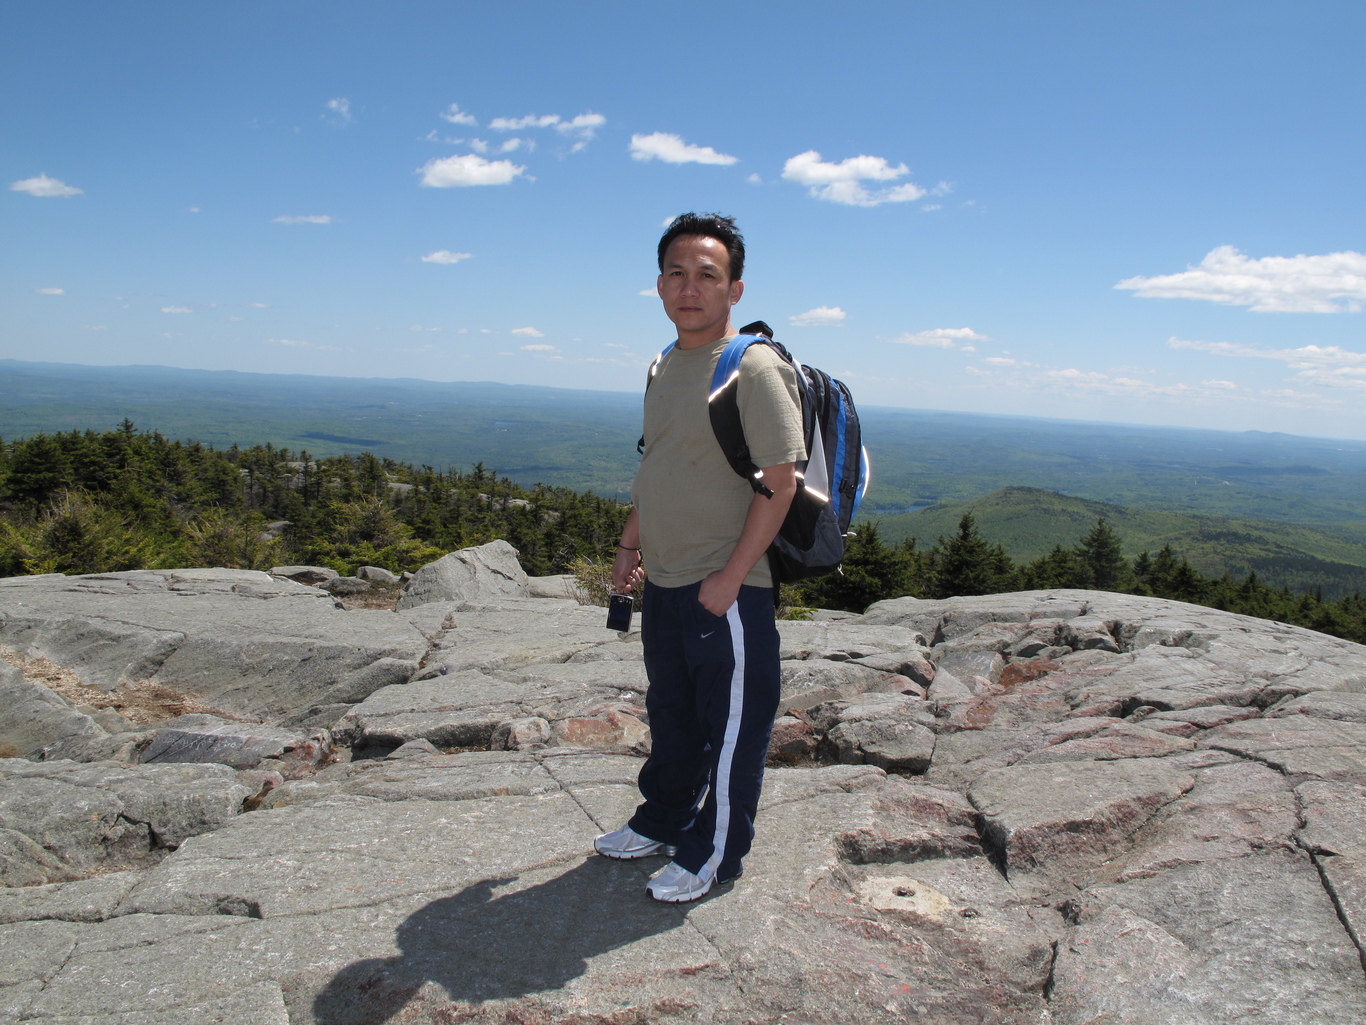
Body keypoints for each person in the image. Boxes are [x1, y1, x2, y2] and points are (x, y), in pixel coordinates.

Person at [593, 213, 804, 903]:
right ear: (659, 285)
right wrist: (631, 545)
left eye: (708, 275)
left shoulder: (752, 366)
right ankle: (663, 818)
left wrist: (732, 576)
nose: (691, 288)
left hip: (727, 586)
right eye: (677, 273)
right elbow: (658, 465)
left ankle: (714, 852)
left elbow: (781, 482)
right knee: (672, 712)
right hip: (666, 577)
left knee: (734, 727)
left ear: (734, 289)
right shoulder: (663, 364)